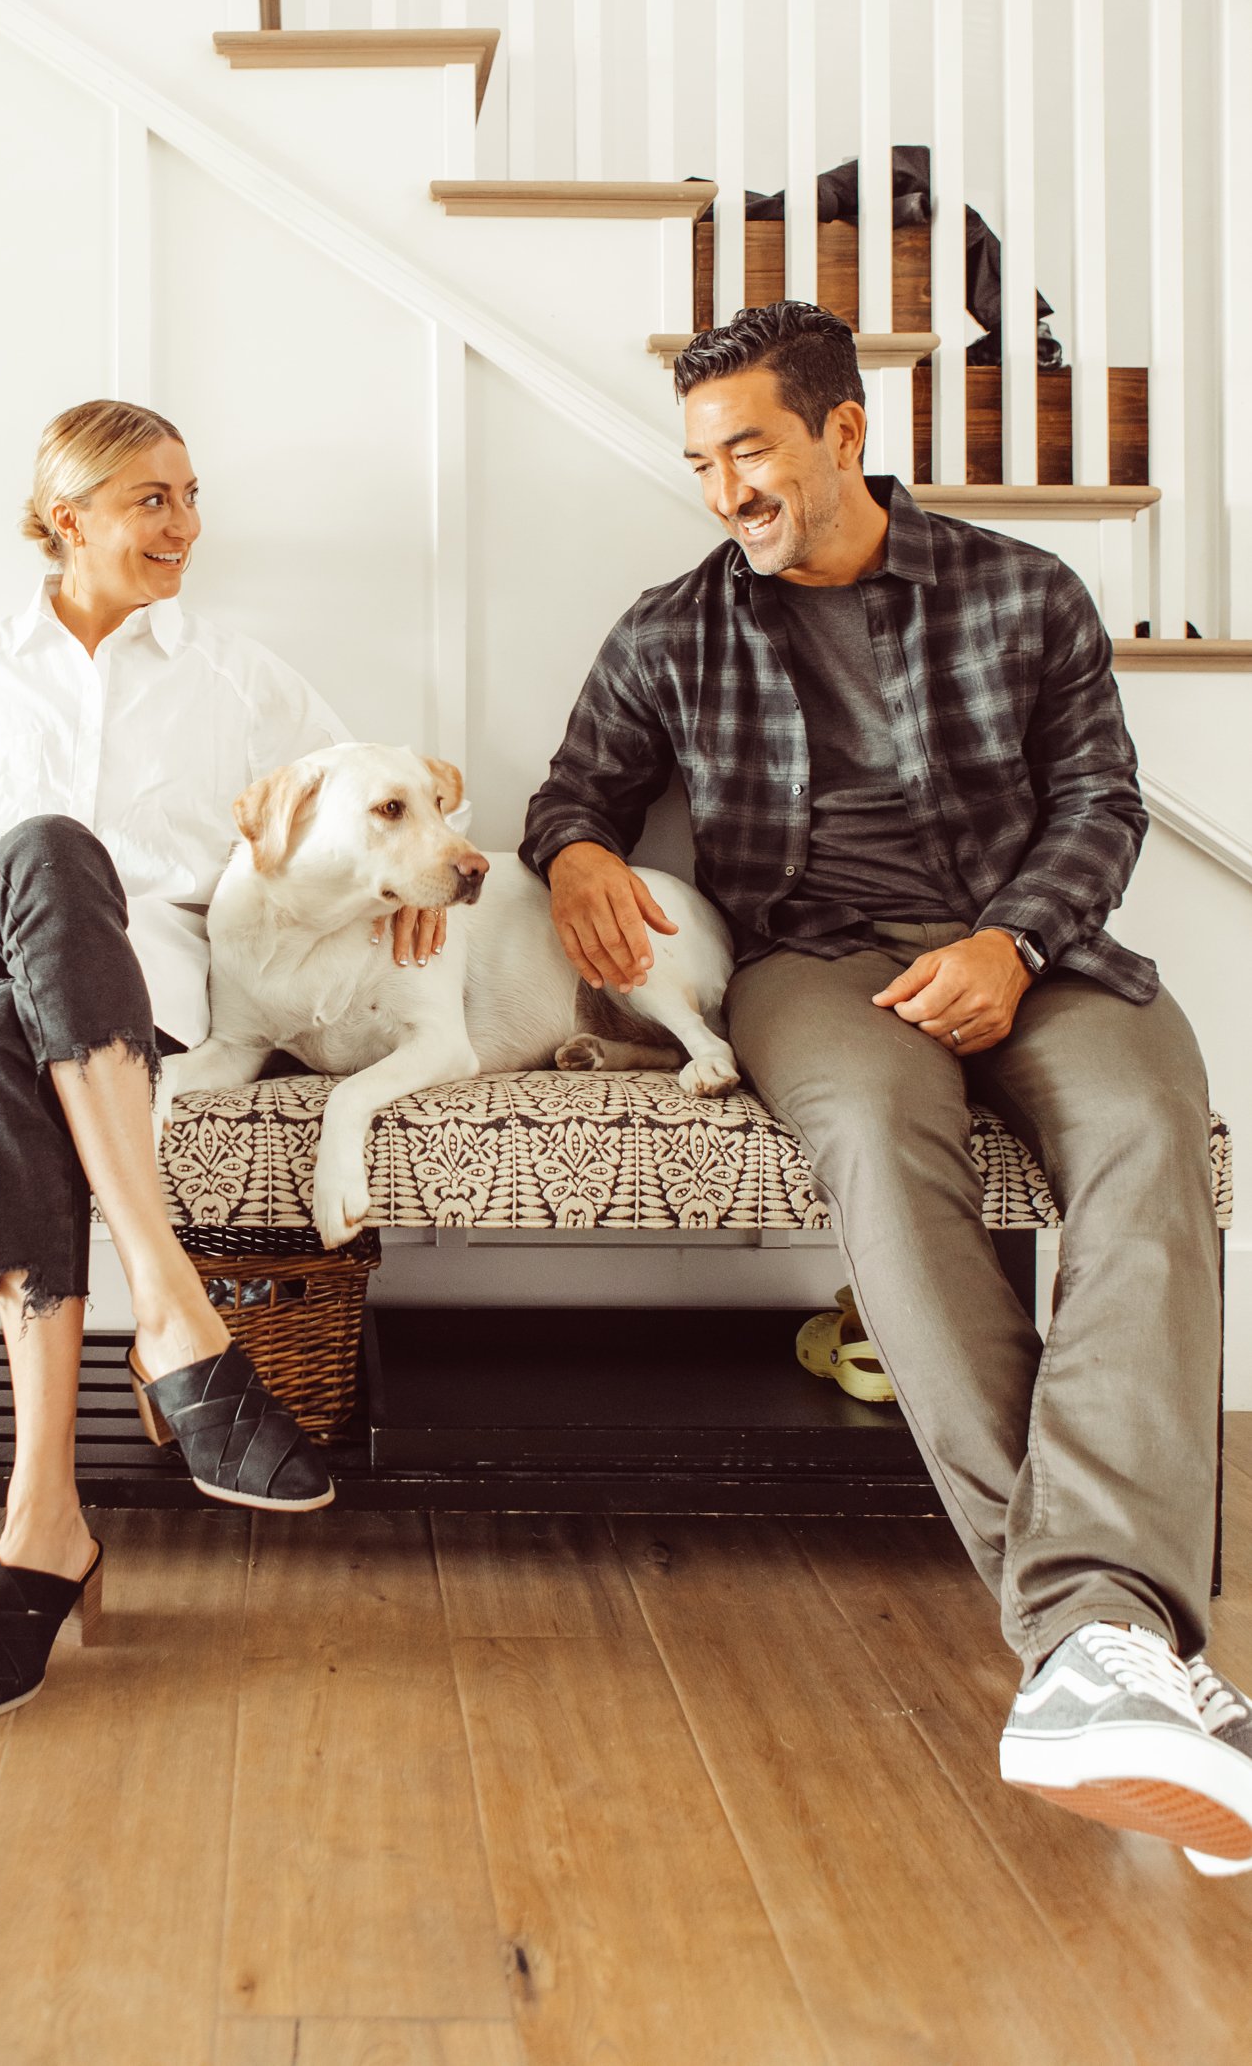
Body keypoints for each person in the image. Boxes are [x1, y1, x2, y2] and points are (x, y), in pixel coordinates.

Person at [520, 300, 1252, 1874]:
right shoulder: (674, 629)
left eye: (755, 449)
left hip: (1039, 957)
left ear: (848, 434)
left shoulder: (1023, 589)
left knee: (1148, 1137)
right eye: (705, 461)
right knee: (875, 1139)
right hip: (818, 968)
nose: (729, 489)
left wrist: (1012, 941)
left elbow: (1100, 801)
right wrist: (580, 851)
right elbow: (574, 792)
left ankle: (1085, 1654)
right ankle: (1116, 1640)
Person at [0, 400, 443, 1742]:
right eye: (153, 499)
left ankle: (42, 1528)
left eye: (193, 497)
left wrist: (415, 888)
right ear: (67, 518)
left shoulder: (247, 683)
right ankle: (177, 1318)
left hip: (138, 993)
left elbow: (367, 808)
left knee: (22, 1027)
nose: (186, 525)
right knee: (48, 848)